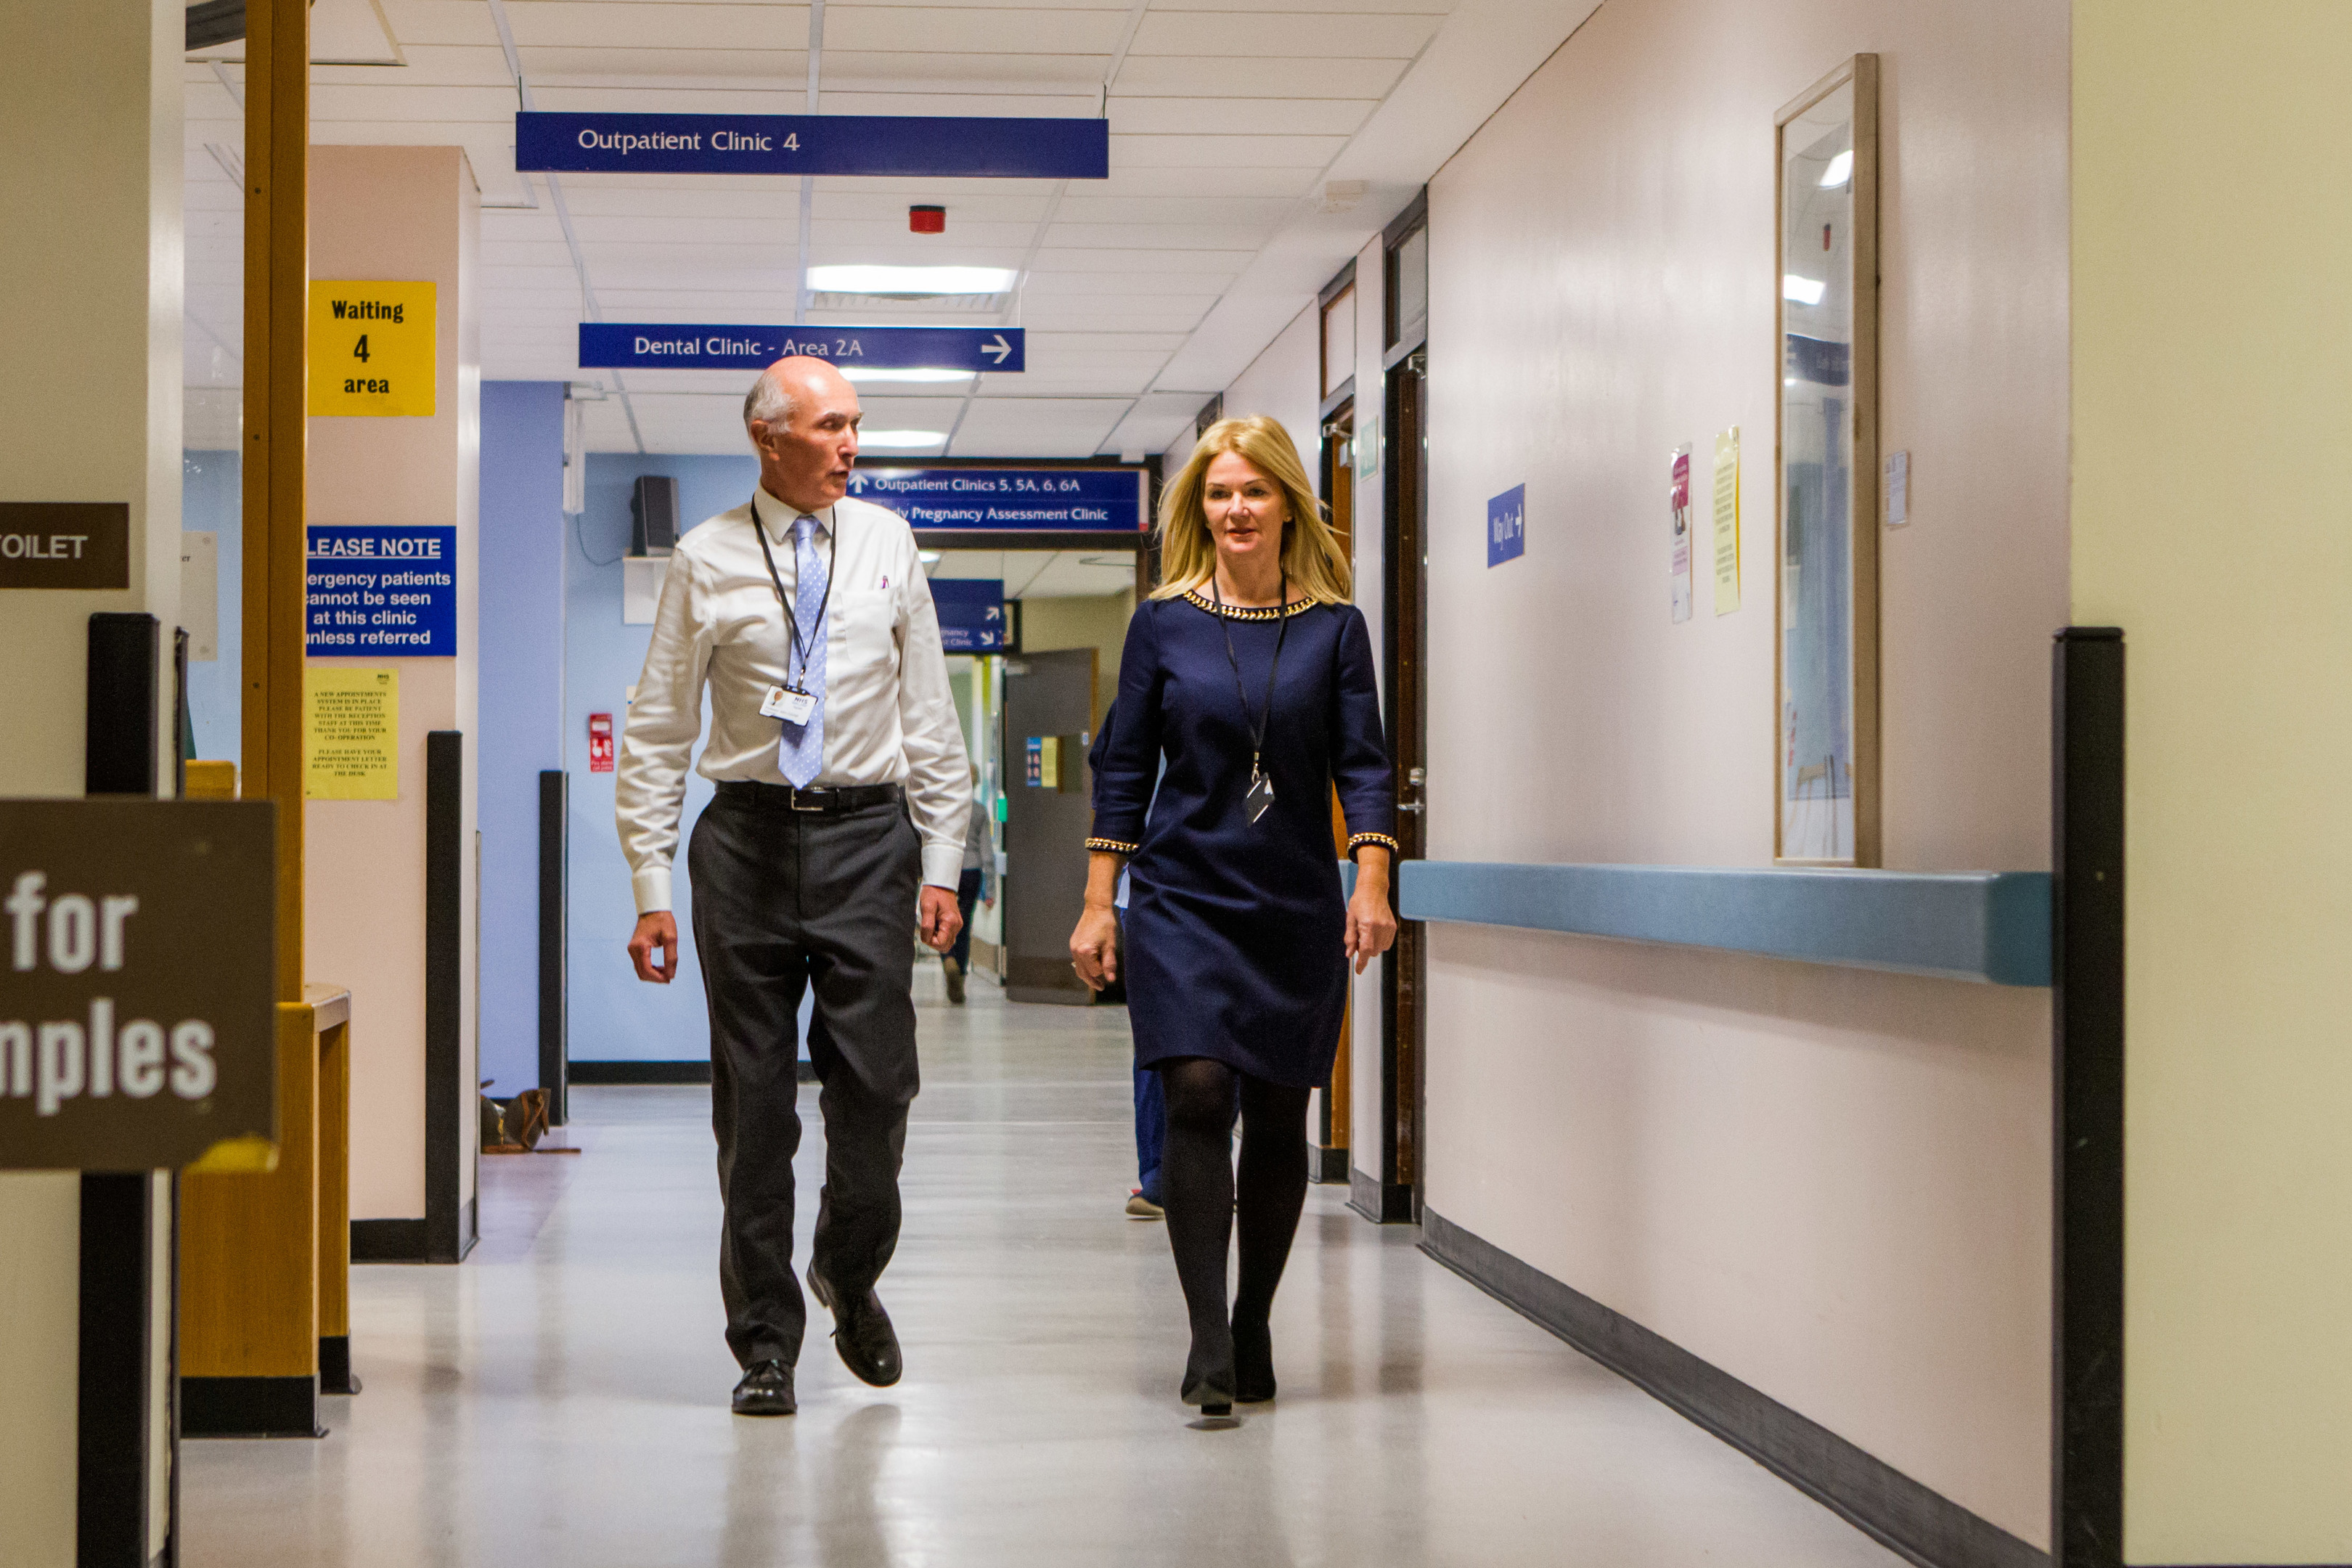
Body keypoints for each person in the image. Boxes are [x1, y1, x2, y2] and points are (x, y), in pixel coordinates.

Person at [616, 356, 971, 1418]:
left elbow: (929, 714)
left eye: (856, 425)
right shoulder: (705, 557)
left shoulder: (886, 543)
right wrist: (649, 885)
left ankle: (848, 1272)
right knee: (755, 1109)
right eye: (830, 427)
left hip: (870, 839)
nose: (851, 446)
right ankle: (765, 1341)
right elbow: (658, 730)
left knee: (878, 1089)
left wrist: (943, 860)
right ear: (769, 437)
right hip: (747, 845)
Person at [1069, 415, 1397, 1415]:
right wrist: (1098, 905)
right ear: (1198, 507)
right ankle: (1208, 1340)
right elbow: (1125, 769)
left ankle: (1254, 1319)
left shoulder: (1336, 627)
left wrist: (1373, 882)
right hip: (1181, 896)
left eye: (1255, 491)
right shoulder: (1163, 622)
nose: (1237, 508)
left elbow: (1366, 766)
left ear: (1289, 503)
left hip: (1293, 899)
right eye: (1219, 492)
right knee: (1200, 1092)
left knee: (1275, 1111)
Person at [942, 771, 992, 1004]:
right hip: (972, 871)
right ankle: (960, 975)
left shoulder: (945, 808)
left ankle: (947, 957)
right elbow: (987, 854)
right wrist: (990, 890)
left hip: (948, 869)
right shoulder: (979, 811)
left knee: (943, 920)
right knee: (964, 923)